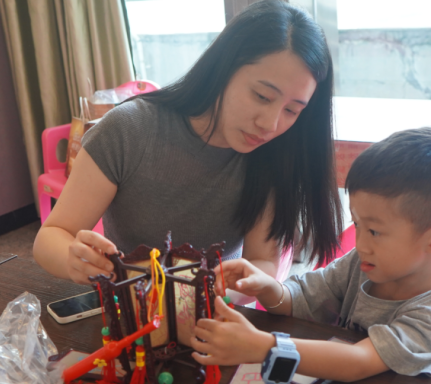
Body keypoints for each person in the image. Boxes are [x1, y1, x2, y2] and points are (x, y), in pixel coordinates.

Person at [33, 0, 343, 286]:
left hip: (216, 310)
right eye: (262, 96)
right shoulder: (127, 131)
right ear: (223, 69)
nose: (270, 124)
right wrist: (73, 259)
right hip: (131, 303)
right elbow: (52, 236)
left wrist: (226, 290)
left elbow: (263, 260)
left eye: (292, 111)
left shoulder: (275, 153)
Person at [192, 127, 431, 381]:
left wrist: (264, 346)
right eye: (357, 224)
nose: (360, 244)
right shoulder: (363, 263)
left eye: (375, 231)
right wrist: (268, 288)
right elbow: (302, 300)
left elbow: (358, 362)